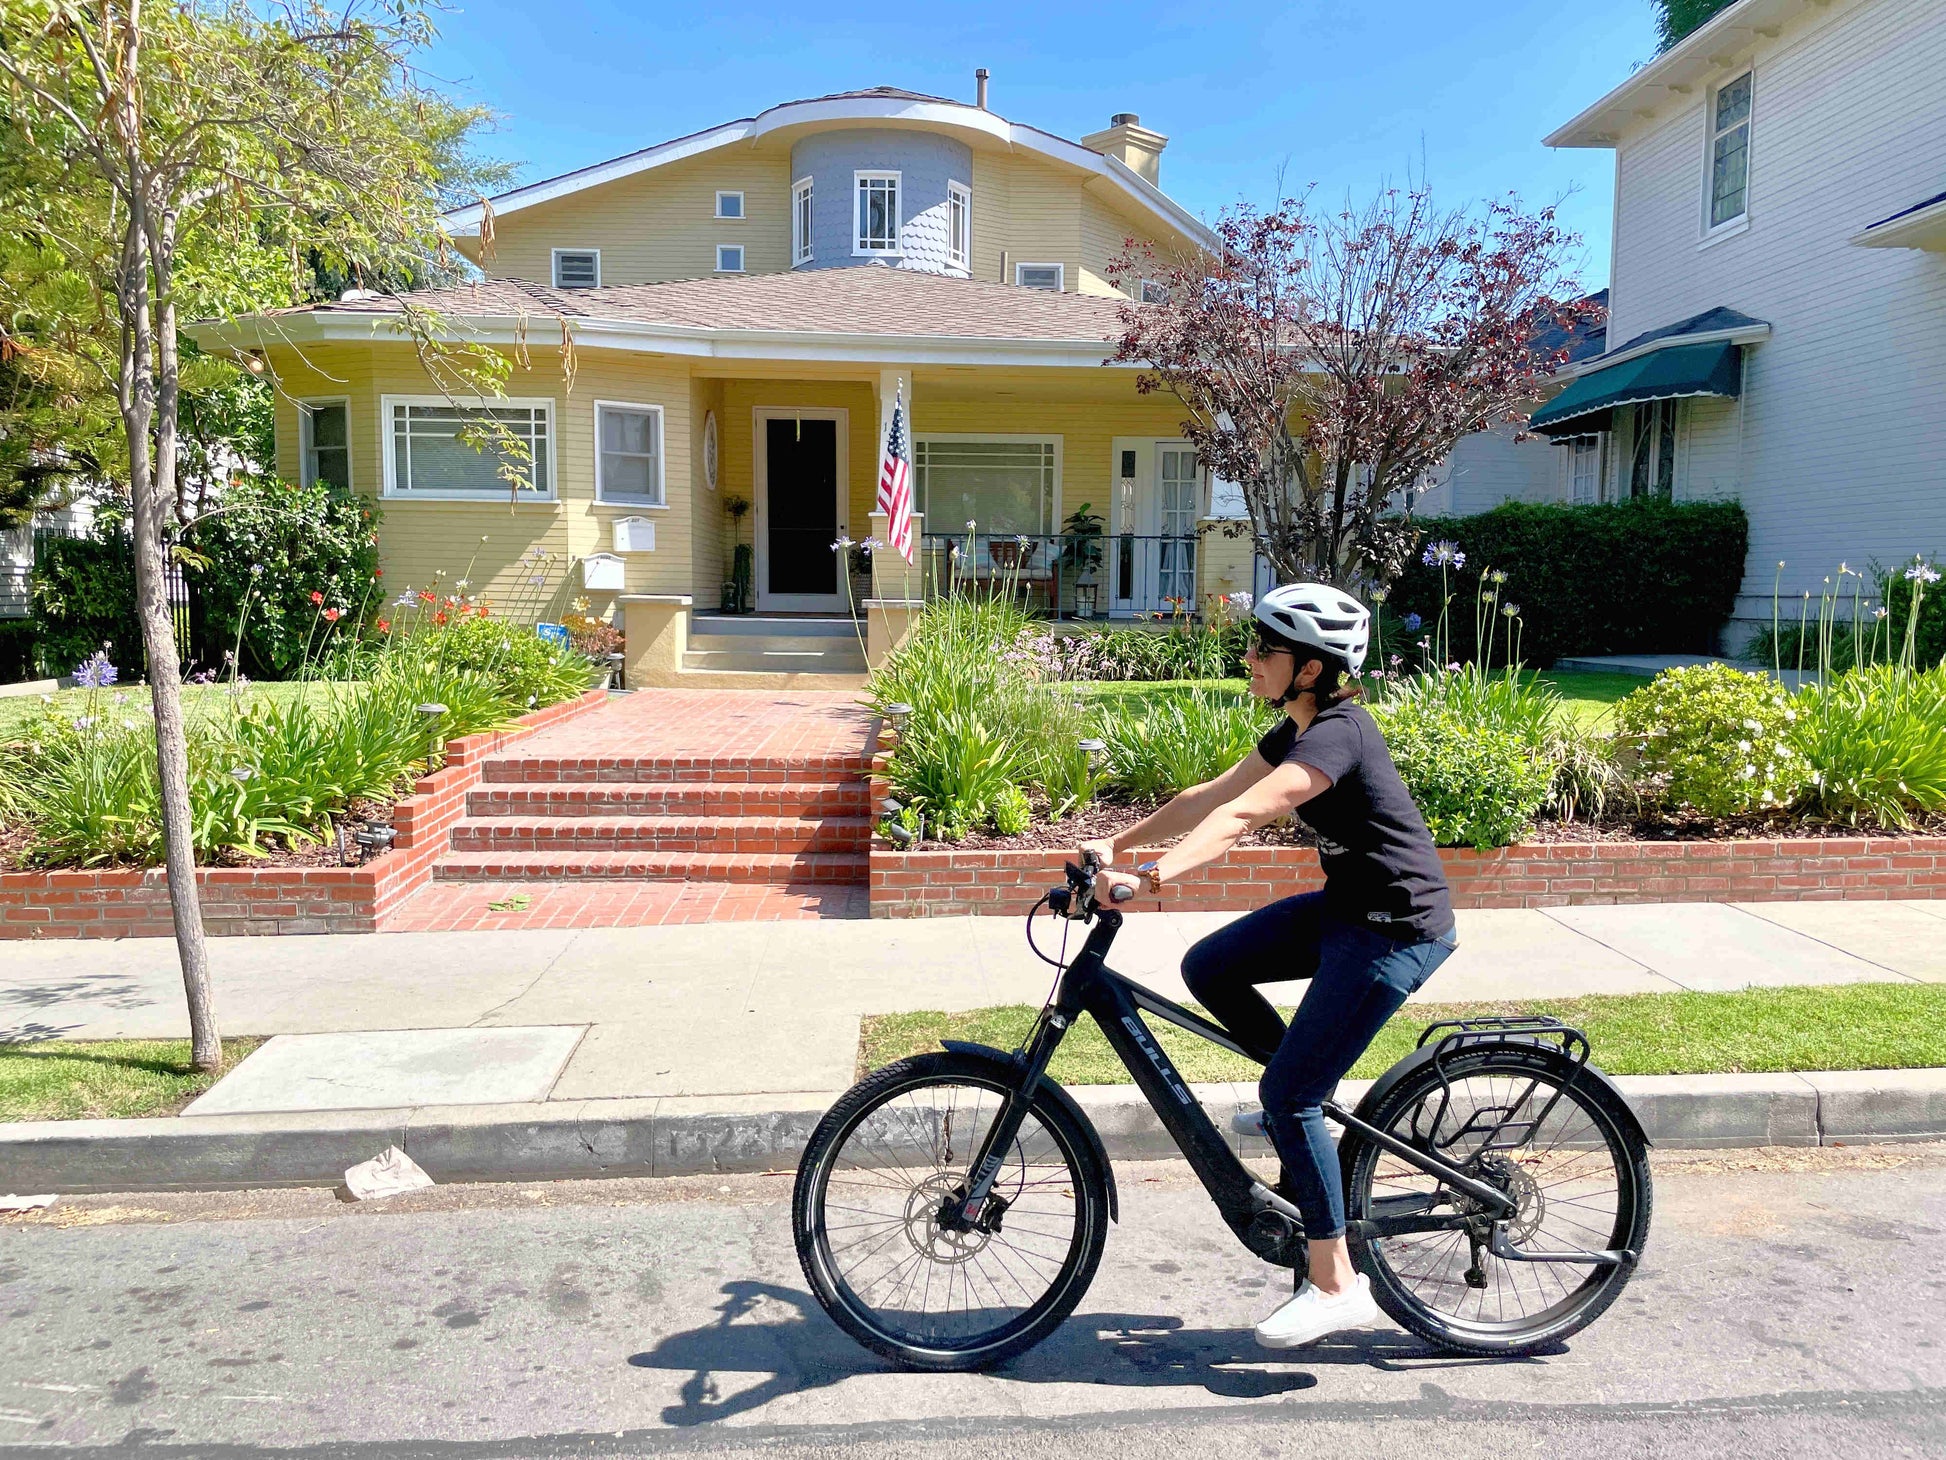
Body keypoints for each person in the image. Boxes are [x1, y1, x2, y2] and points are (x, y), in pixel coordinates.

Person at [1082, 583, 1458, 1350]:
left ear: (1313, 668)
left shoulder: (1338, 736)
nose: (1248, 658)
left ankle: (1336, 1284)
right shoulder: (1296, 728)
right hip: (1347, 910)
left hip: (1396, 931)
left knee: (1289, 1097)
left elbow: (1245, 816)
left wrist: (1150, 880)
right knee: (1211, 966)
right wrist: (1115, 846)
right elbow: (1210, 796)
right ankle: (1300, 1108)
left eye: (1266, 649)